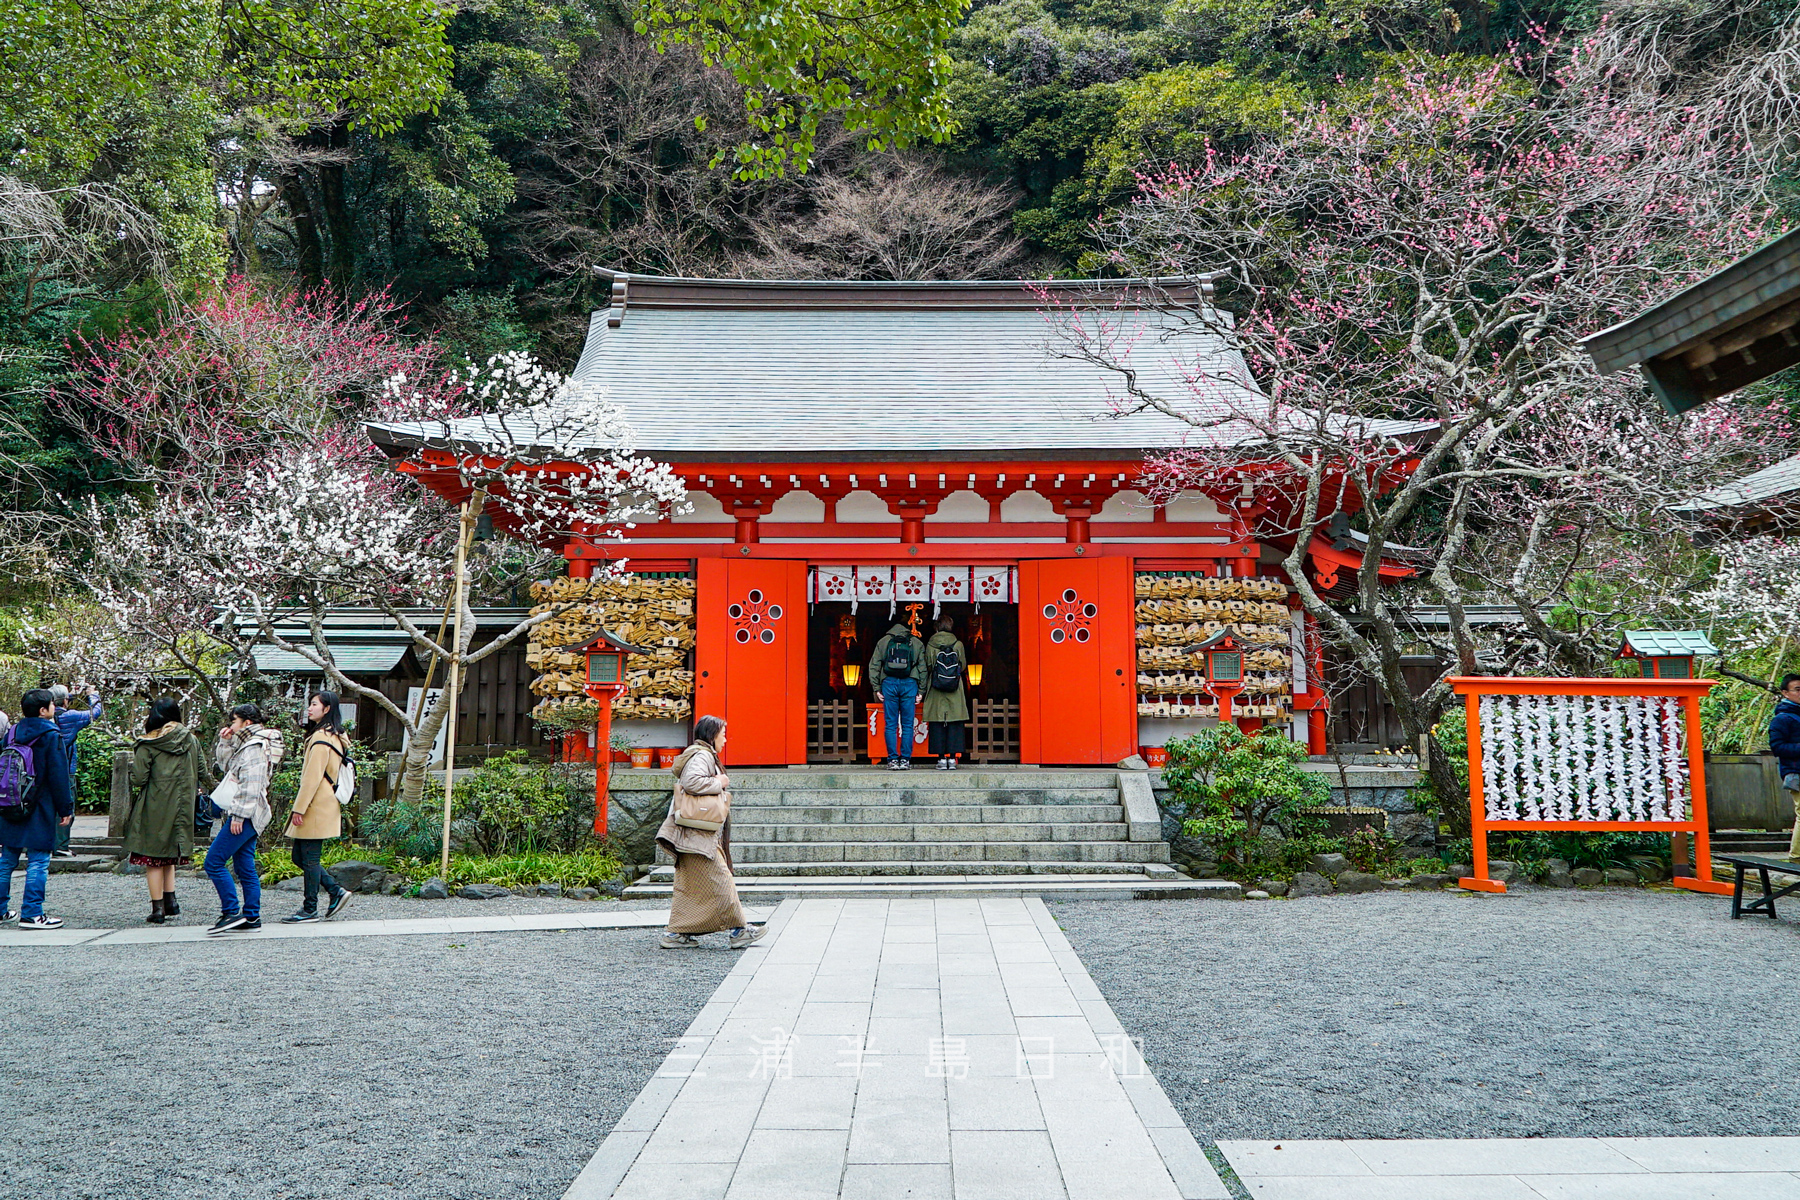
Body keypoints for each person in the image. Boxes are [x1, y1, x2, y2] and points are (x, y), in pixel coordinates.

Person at [655, 716, 765, 950]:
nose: (725, 740)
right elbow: (692, 781)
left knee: (691, 886)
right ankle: (740, 931)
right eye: (723, 734)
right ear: (712, 735)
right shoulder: (703, 755)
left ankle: (676, 934)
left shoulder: (698, 753)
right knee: (720, 879)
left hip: (694, 833)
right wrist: (719, 780)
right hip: (697, 835)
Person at [205, 703, 283, 935]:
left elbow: (251, 783)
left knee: (214, 861)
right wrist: (226, 742)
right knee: (244, 865)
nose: (231, 725)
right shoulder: (247, 744)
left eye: (234, 721)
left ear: (246, 723)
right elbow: (227, 767)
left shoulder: (255, 746)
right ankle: (251, 916)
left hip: (246, 812)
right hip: (250, 811)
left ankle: (231, 912)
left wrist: (239, 815)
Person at [0, 689, 75, 928]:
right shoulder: (51, 735)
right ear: (43, 710)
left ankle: (1, 910)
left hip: (10, 802)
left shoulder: (12, 733)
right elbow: (58, 775)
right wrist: (66, 807)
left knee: (7, 860)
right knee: (38, 860)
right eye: (52, 704)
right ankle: (32, 913)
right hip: (40, 805)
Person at [124, 696, 199, 924]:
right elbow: (202, 769)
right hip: (183, 806)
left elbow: (138, 779)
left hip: (155, 805)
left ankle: (157, 909)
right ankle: (171, 901)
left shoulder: (149, 744)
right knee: (169, 855)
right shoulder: (192, 740)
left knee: (153, 856)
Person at [283, 690, 352, 924]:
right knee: (300, 856)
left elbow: (311, 778)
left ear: (327, 709)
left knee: (309, 858)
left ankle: (310, 908)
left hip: (315, 804)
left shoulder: (321, 738)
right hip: (322, 801)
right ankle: (335, 891)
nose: (309, 708)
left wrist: (299, 808)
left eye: (314, 704)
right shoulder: (334, 736)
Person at [50, 682, 102, 857]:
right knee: (66, 806)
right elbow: (94, 713)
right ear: (65, 701)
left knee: (47, 807)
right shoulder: (69, 717)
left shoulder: (43, 718)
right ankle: (61, 846)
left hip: (45, 770)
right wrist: (92, 694)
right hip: (66, 769)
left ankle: (47, 844)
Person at [869, 620, 927, 770]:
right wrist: (921, 690)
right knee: (908, 724)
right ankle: (905, 760)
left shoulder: (883, 642)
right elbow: (923, 668)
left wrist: (876, 687)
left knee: (891, 724)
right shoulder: (915, 642)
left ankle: (893, 760)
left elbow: (874, 665)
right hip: (909, 683)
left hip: (889, 683)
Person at [922, 616, 969, 770]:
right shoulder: (958, 644)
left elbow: (928, 665)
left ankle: (941, 759)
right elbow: (962, 666)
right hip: (955, 687)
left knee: (937, 722)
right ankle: (953, 759)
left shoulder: (930, 645)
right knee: (955, 722)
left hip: (936, 686)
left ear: (936, 627)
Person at [1772, 674, 1800, 859]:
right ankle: (1796, 857)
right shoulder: (1782, 718)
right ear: (1785, 693)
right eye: (1797, 690)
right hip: (1796, 771)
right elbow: (1777, 747)